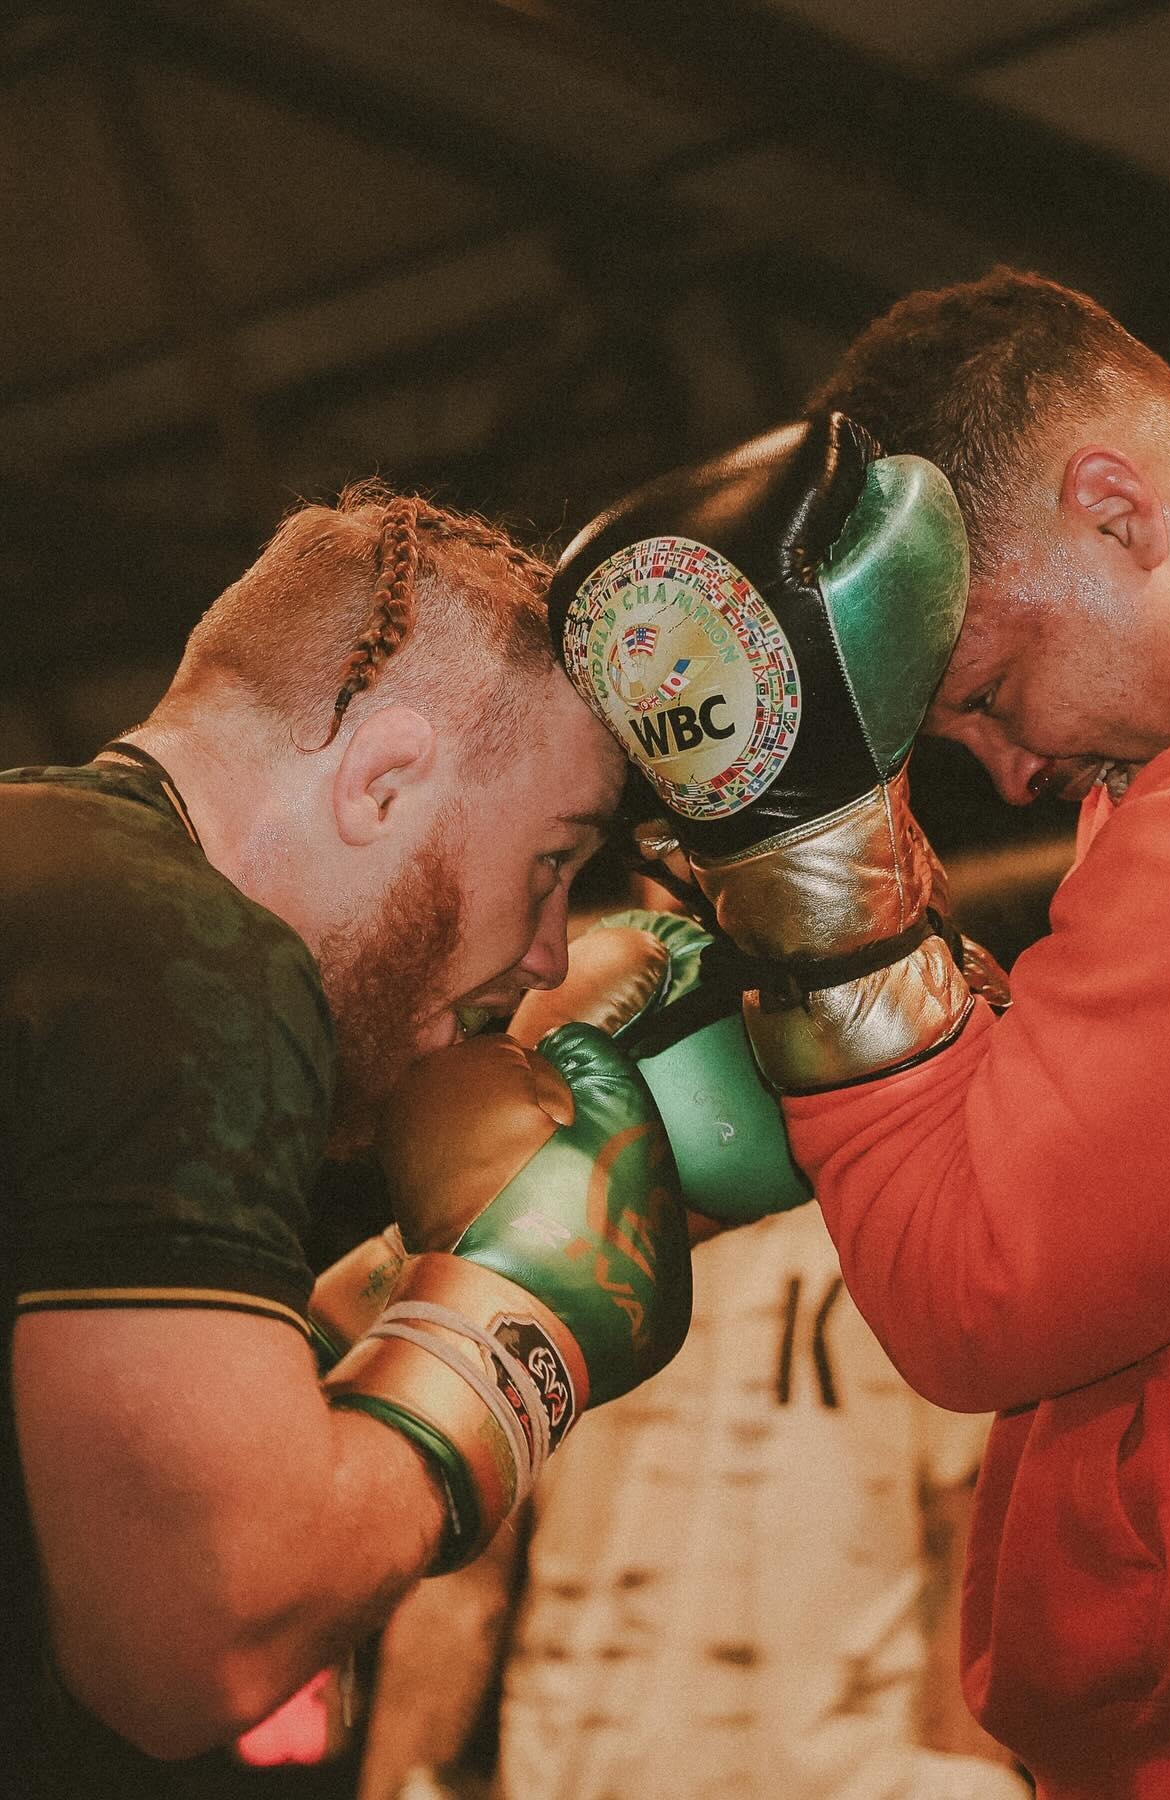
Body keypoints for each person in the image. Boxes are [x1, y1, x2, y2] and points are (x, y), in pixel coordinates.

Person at [544, 279, 1170, 1798]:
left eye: (992, 691)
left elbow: (971, 1286)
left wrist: (815, 892)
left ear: (1116, 509)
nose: (1012, 774)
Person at [2, 486, 696, 1797]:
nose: (550, 952)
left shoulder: (49, 881)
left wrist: (394, 1277)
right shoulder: (186, 958)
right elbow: (194, 1642)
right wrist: (520, 1331)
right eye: (553, 861)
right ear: (383, 781)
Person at [356, 916, 1029, 1800]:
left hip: (848, 1780)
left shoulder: (902, 1172)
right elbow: (466, 1568)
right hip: (584, 1774)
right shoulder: (556, 1175)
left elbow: (970, 1535)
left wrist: (966, 1773)